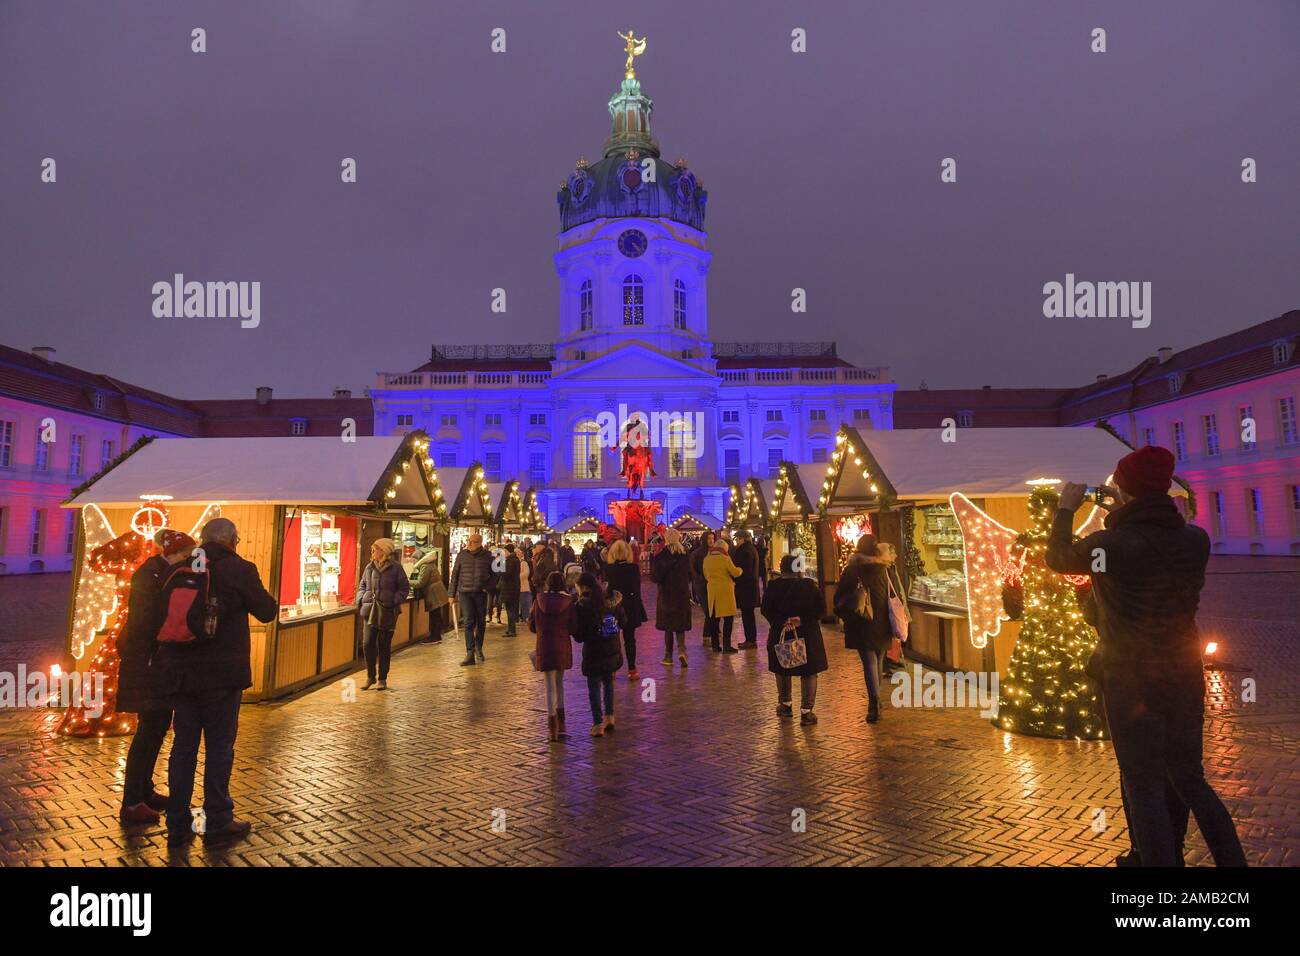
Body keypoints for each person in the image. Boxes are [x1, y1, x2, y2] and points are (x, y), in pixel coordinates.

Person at [1047, 446, 1247, 867]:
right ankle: (1234, 862)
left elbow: (1060, 558)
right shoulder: (1196, 539)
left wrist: (1066, 509)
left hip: (1130, 676)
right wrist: (1129, 507)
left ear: (1129, 490)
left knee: (1144, 786)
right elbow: (1153, 539)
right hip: (1183, 670)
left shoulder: (1111, 544)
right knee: (1191, 779)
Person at [155, 517, 277, 847]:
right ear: (231, 540)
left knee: (183, 747)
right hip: (220, 675)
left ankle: (177, 822)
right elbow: (267, 611)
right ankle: (218, 819)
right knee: (219, 747)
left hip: (180, 671)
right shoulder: (239, 569)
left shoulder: (181, 568)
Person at [118, 529, 195, 824]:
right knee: (148, 731)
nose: (190, 559)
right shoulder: (151, 577)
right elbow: (146, 623)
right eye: (186, 554)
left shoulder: (159, 574)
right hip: (149, 665)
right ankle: (132, 801)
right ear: (174, 554)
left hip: (154, 663)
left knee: (157, 727)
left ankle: (144, 789)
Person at [762, 553, 828, 725]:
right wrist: (801, 620)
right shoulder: (809, 586)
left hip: (781, 632)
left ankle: (785, 705)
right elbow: (821, 610)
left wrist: (782, 621)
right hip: (807, 634)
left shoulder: (773, 587)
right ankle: (807, 711)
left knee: (782, 668)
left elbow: (765, 609)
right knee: (809, 671)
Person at [835, 535, 894, 723]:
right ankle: (877, 700)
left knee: (869, 661)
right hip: (883, 621)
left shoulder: (852, 570)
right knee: (878, 660)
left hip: (862, 621)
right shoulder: (885, 569)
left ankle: (874, 703)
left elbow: (840, 598)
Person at [573, 572, 625, 737]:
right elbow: (623, 621)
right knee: (609, 681)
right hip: (611, 647)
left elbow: (579, 634)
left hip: (594, 650)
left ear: (582, 587)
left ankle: (597, 724)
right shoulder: (610, 601)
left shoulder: (583, 605)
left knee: (594, 686)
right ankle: (610, 716)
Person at [357, 538, 410, 690]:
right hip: (369, 610)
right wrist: (361, 599)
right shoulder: (369, 567)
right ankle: (370, 676)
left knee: (384, 645)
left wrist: (394, 600)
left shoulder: (396, 568)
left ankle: (382, 679)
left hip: (387, 611)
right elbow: (362, 585)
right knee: (367, 644)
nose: (372, 552)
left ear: (384, 551)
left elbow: (404, 588)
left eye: (375, 549)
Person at [529, 571, 575, 742]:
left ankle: (551, 728)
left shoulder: (538, 601)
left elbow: (532, 625)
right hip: (561, 645)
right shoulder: (568, 602)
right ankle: (562, 724)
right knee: (559, 684)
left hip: (545, 645)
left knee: (549, 687)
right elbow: (573, 625)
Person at [603, 538, 647, 680]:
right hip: (630, 606)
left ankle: (613, 668)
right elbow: (636, 588)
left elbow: (608, 589)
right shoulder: (633, 568)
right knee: (630, 639)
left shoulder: (609, 569)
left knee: (613, 637)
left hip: (614, 606)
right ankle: (632, 668)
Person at [650, 527, 693, 667]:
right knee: (679, 626)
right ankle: (681, 650)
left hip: (667, 596)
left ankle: (668, 656)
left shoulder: (661, 556)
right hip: (681, 595)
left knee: (668, 627)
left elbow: (656, 577)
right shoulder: (684, 555)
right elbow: (690, 575)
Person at [450, 533, 495, 665]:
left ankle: (478, 648)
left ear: (480, 543)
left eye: (473, 542)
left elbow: (496, 575)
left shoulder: (488, 556)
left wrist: (487, 587)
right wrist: (451, 594)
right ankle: (470, 652)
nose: (469, 544)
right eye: (468, 541)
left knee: (480, 621)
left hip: (480, 593)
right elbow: (455, 575)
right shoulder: (462, 555)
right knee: (468, 622)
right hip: (465, 592)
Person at [702, 538, 742, 653]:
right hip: (725, 591)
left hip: (712, 591)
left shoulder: (707, 559)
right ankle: (726, 645)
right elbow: (735, 572)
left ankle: (715, 645)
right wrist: (740, 569)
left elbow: (705, 574)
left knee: (714, 620)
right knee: (728, 619)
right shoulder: (725, 559)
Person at [731, 529, 762, 649]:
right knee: (748, 615)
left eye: (737, 539)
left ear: (742, 539)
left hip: (745, 588)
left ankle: (750, 640)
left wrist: (736, 578)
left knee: (747, 615)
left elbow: (742, 570)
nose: (736, 542)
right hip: (750, 587)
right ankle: (750, 639)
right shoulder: (751, 549)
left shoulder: (744, 551)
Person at [690, 530, 716, 647]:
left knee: (713, 610)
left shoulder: (715, 552)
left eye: (712, 538)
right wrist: (700, 578)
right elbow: (694, 570)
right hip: (702, 585)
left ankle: (714, 632)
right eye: (709, 538)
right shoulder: (698, 553)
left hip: (713, 584)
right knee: (708, 610)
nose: (711, 541)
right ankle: (707, 635)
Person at [497, 542, 522, 637]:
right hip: (511, 588)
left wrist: (499, 571)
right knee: (509, 609)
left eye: (505, 551)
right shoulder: (513, 560)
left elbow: (505, 573)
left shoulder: (511, 561)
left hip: (510, 588)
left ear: (508, 551)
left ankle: (512, 630)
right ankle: (510, 629)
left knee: (510, 609)